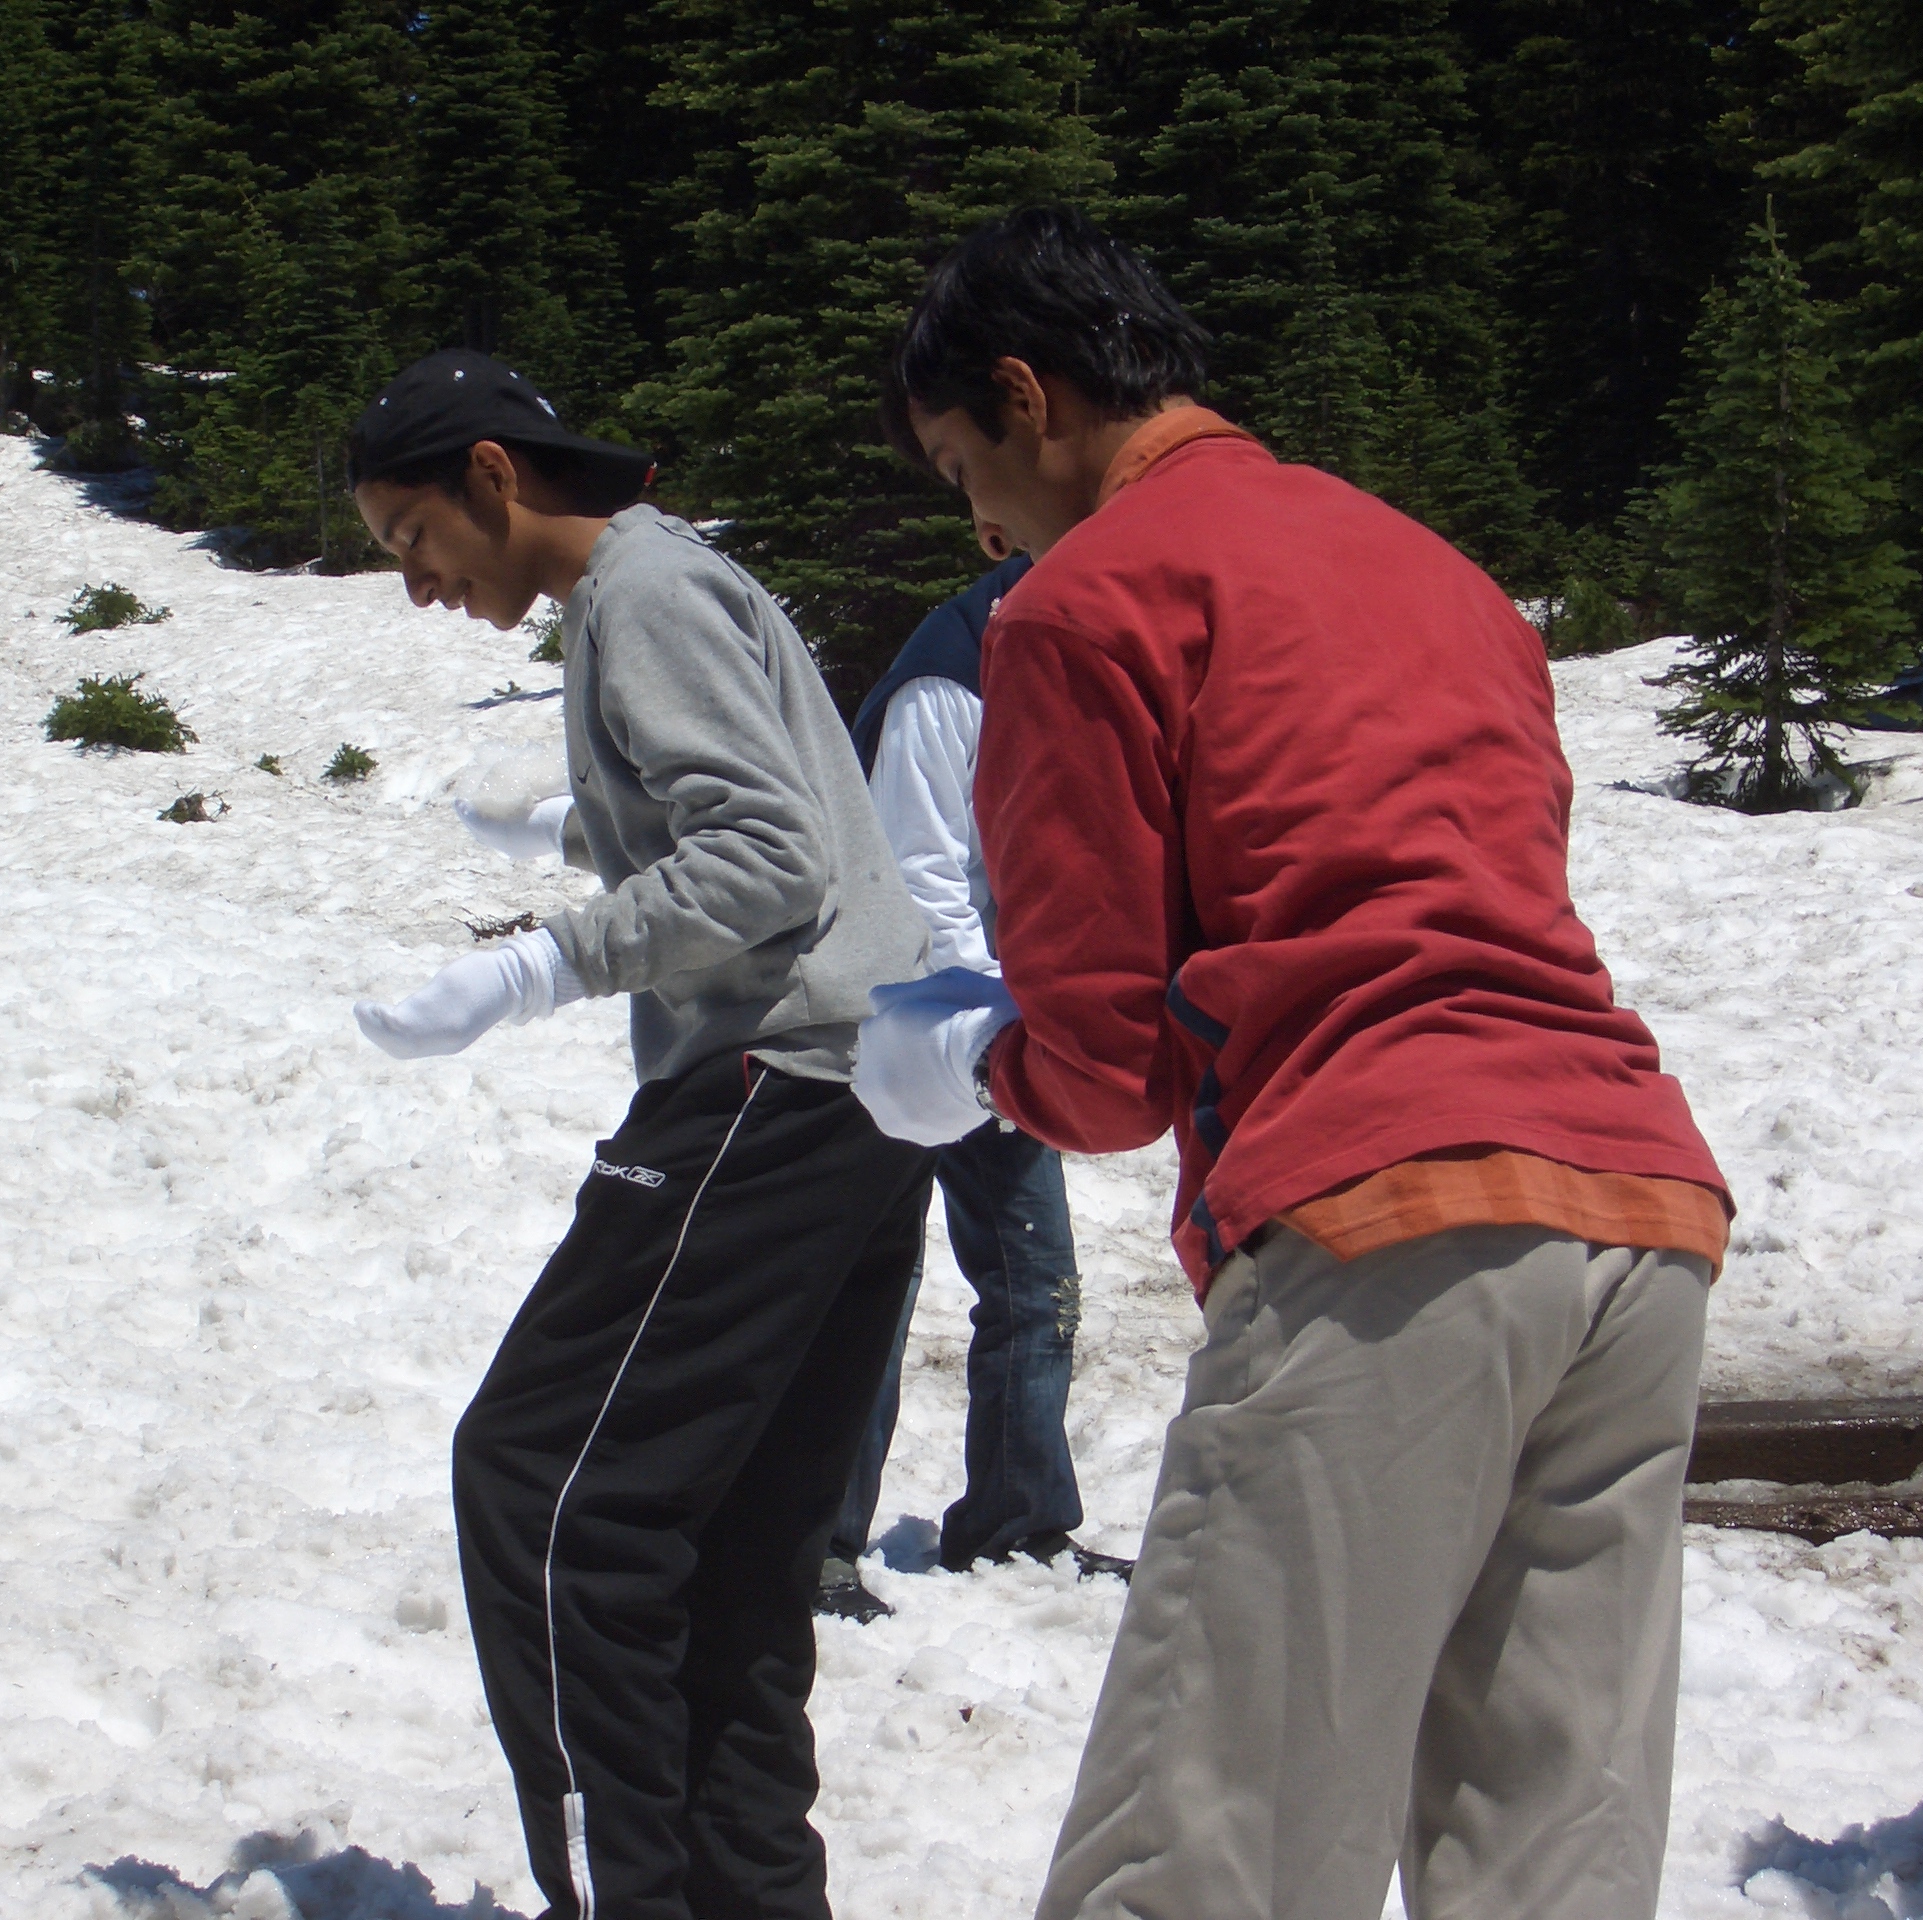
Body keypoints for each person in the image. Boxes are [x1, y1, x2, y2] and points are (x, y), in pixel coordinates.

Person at [858, 206, 1733, 1920]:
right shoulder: (1444, 576)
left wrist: (953, 1057)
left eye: (964, 467)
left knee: (1212, 1854)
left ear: (1029, 396)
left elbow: (1104, 1063)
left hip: (1385, 1227)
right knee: (1551, 1859)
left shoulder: (1083, 604)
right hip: (1638, 1208)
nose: (979, 524)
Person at [344, 348, 934, 1920]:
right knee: (730, 1549)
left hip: (771, 1084)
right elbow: (774, 802)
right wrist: (575, 821)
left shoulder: (643, 593)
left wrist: (537, 965)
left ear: (491, 475)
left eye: (414, 538)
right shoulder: (667, 581)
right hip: (857, 1096)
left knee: (548, 1492)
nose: (418, 584)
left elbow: (770, 860)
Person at [814, 530, 1126, 1628]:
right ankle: (814, 1543)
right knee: (870, 1286)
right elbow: (919, 886)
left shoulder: (1081, 665)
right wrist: (1000, 1032)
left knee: (1035, 1281)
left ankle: (1018, 1521)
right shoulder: (949, 683)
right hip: (893, 1031)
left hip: (997, 1021)